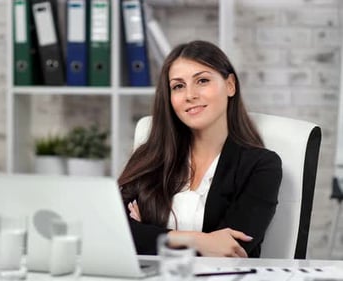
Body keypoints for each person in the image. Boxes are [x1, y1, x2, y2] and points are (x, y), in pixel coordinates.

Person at [118, 40, 282, 258]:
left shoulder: (261, 166)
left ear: (230, 85)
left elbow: (231, 250)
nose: (190, 95)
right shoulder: (149, 157)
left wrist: (147, 234)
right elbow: (113, 232)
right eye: (178, 86)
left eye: (202, 80)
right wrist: (198, 240)